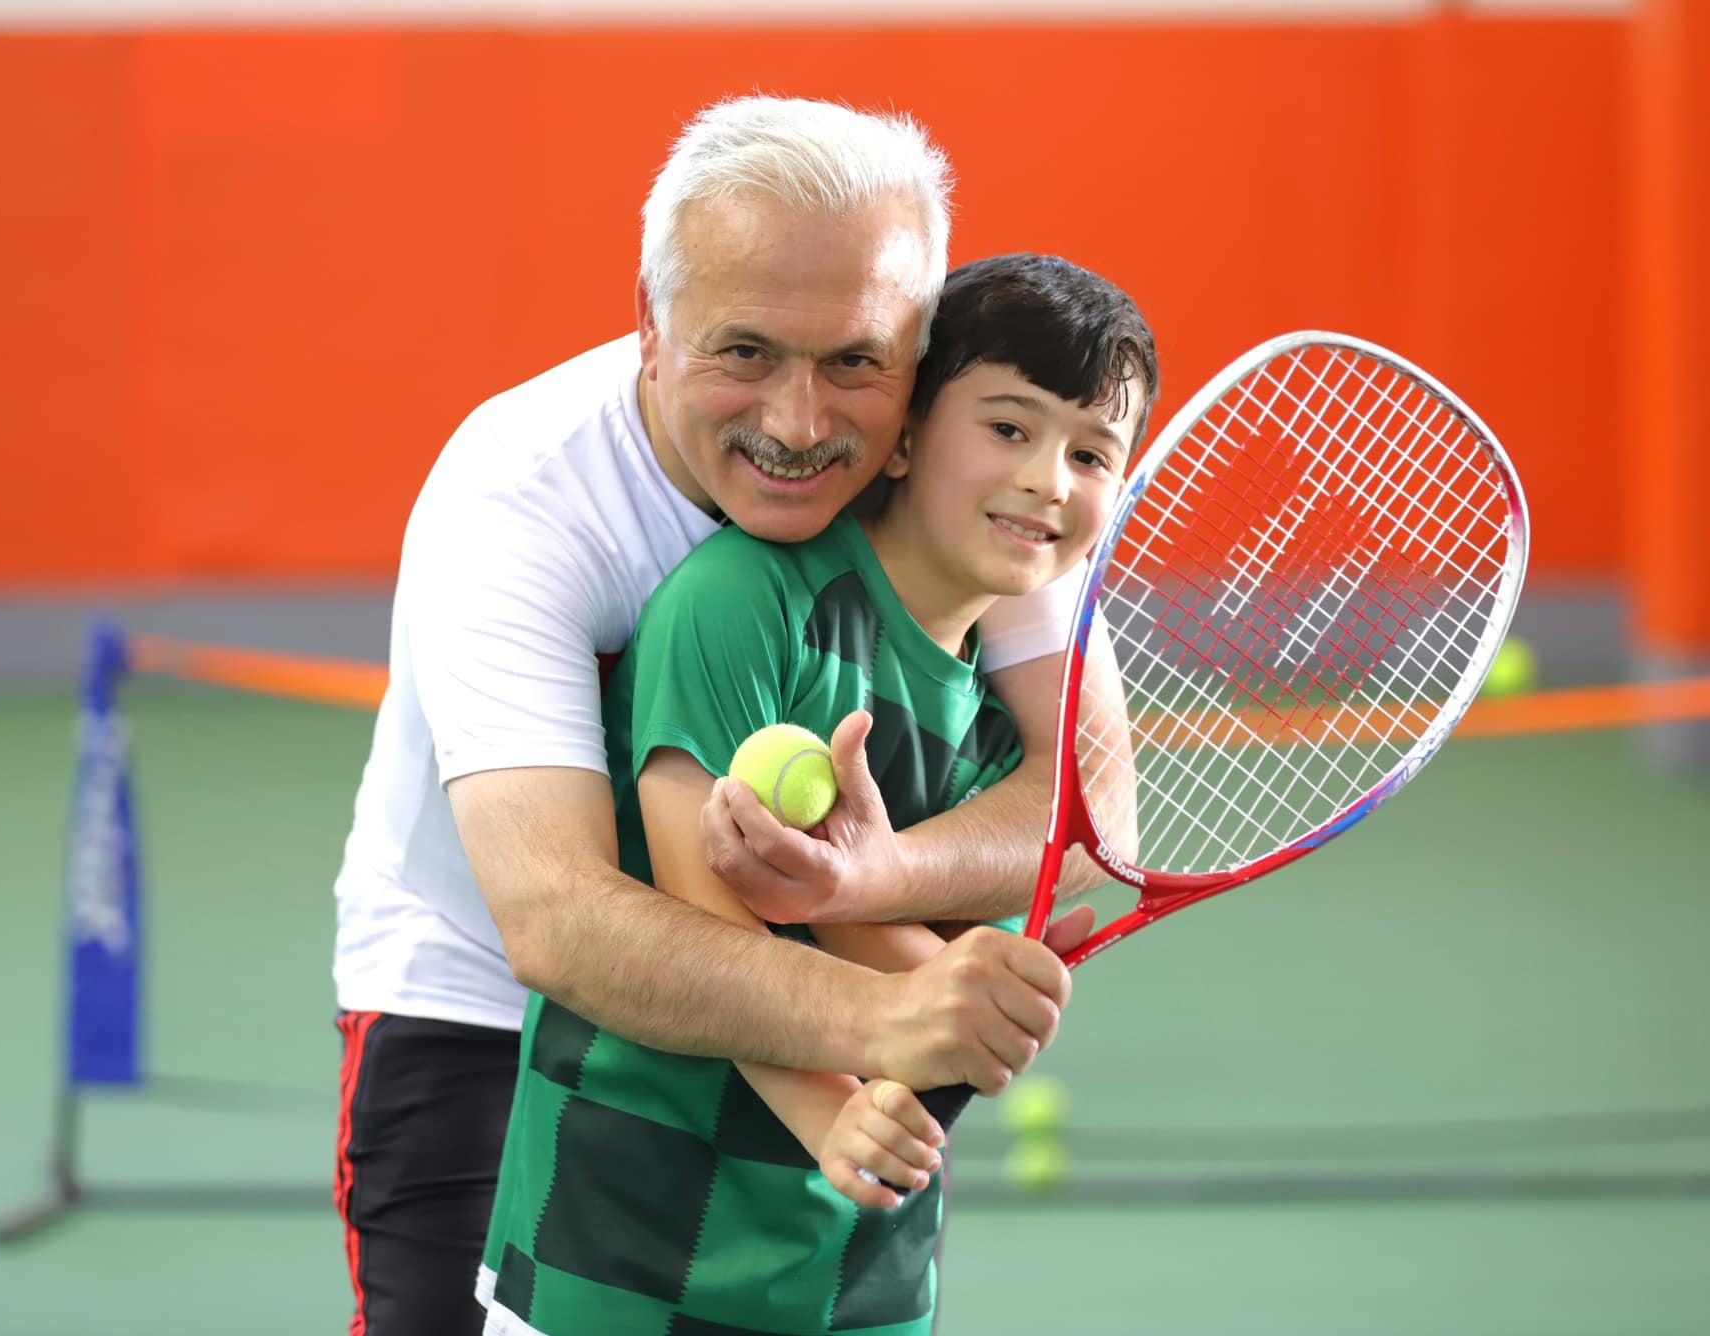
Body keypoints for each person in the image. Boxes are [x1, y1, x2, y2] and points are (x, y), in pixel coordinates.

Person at [332, 97, 1108, 1335]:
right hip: (481, 1008)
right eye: (744, 351)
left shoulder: (980, 471)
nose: (799, 425)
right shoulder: (521, 501)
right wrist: (896, 1008)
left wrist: (868, 881)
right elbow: (558, 922)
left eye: (854, 360)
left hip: (809, 992)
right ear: (649, 330)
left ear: (916, 355)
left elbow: (1084, 795)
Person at [477, 253, 1158, 1336]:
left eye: (1090, 452)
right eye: (1008, 429)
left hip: (860, 1272)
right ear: (902, 436)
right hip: (613, 1251)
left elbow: (907, 939)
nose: (1048, 480)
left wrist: (958, 993)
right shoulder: (739, 600)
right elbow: (710, 912)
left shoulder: (1014, 716)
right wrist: (833, 1106)